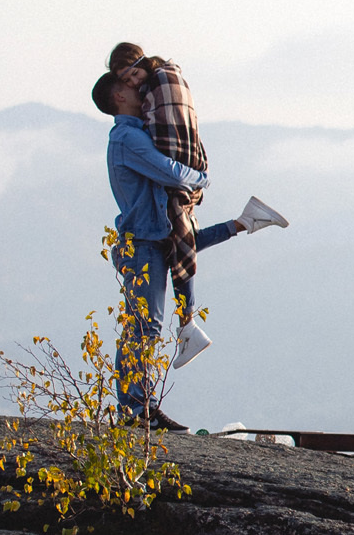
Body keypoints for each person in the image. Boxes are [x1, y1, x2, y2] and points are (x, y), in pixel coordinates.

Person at [90, 43, 288, 427]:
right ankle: (135, 410)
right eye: (130, 87)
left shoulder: (137, 132)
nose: (139, 89)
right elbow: (169, 171)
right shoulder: (127, 140)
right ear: (119, 96)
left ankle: (246, 222)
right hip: (142, 243)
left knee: (177, 260)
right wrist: (202, 178)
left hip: (152, 236)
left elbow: (178, 227)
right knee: (142, 325)